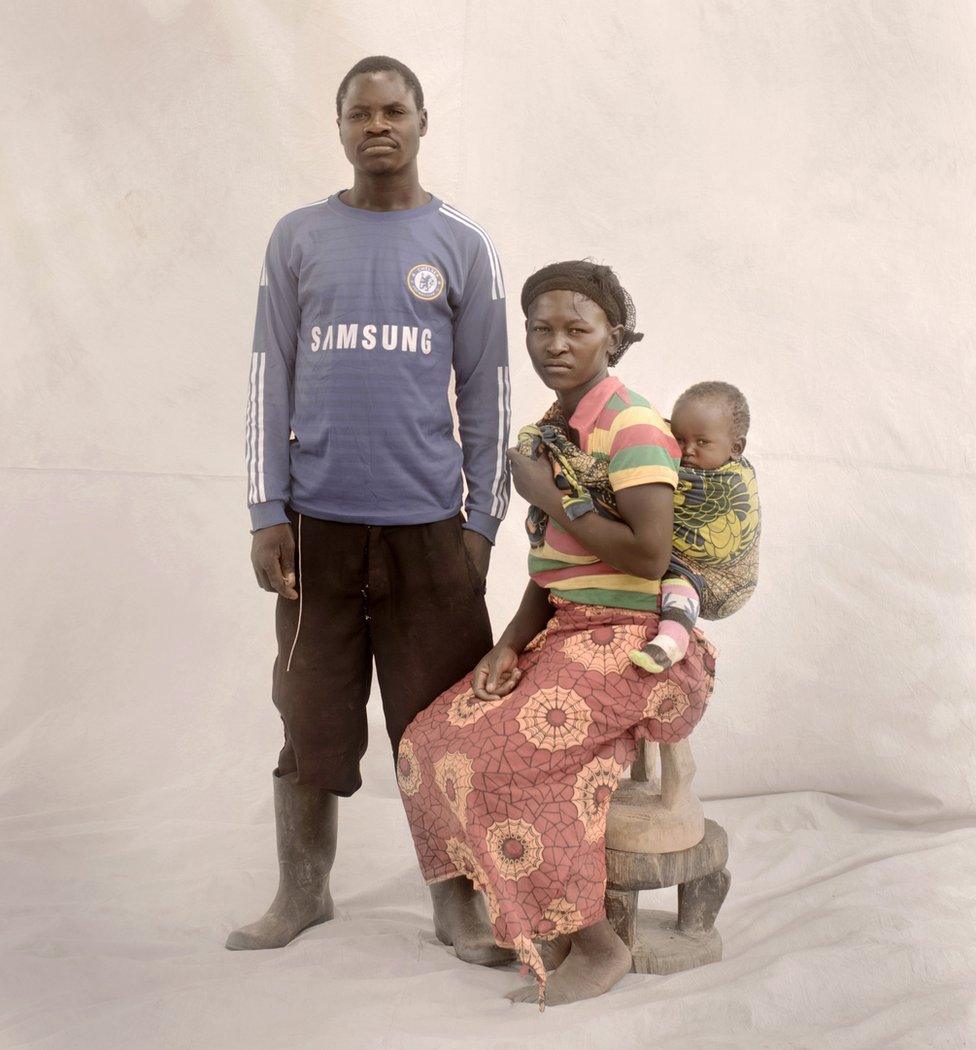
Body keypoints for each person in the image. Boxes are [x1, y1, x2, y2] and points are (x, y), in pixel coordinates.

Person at [227, 56, 511, 963]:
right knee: (308, 709)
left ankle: (457, 906)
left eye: (395, 110)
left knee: (442, 723)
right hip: (317, 531)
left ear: (423, 121)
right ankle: (302, 892)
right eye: (360, 112)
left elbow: (490, 394)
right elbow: (269, 375)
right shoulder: (299, 237)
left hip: (430, 533)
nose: (377, 124)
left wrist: (480, 526)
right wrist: (266, 507)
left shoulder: (462, 245)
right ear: (340, 127)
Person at [396, 261, 717, 1007]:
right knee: (431, 739)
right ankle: (500, 908)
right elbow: (551, 568)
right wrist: (509, 643)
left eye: (578, 328)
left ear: (615, 337)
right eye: (542, 328)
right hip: (571, 631)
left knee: (508, 760)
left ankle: (595, 942)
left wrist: (549, 494)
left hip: (642, 644)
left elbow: (648, 553)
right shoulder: (548, 431)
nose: (556, 343)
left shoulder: (631, 425)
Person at [629, 381, 761, 674]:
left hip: (717, 578)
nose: (688, 450)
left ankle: (671, 642)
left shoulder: (731, 481)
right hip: (668, 564)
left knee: (682, 585)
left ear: (736, 448)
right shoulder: (669, 461)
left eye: (702, 442)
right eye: (678, 438)